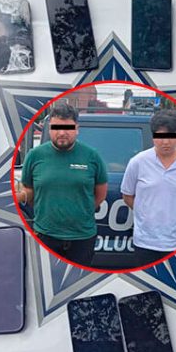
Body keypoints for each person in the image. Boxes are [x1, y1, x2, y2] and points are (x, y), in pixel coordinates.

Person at [17, 103, 108, 267]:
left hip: (82, 238)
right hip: (46, 235)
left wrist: (82, 210)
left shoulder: (92, 156)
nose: (61, 133)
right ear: (49, 128)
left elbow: (100, 194)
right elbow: (29, 190)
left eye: (68, 128)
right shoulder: (34, 156)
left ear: (77, 128)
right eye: (56, 127)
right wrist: (24, 198)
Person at [121, 109, 176, 267]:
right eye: (160, 136)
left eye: (171, 136)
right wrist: (145, 213)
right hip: (145, 242)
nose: (166, 142)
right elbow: (127, 196)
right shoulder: (138, 162)